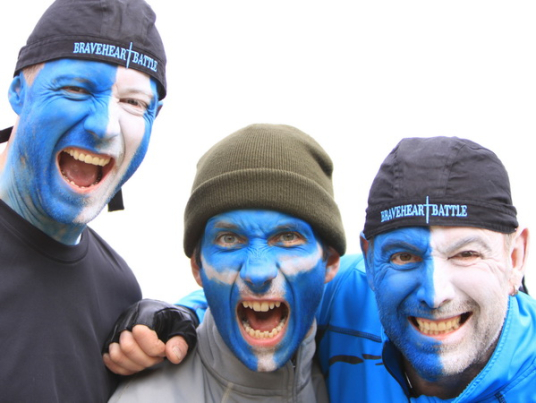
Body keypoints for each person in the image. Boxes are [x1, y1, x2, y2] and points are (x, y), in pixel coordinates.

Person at [0, 0, 194, 400]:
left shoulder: (119, 291)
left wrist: (188, 327)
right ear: (19, 91)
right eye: (75, 89)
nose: (105, 126)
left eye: (134, 103)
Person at [109, 123, 345, 402]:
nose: (258, 273)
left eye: (287, 237)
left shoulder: (342, 376)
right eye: (229, 239)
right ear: (197, 267)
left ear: (330, 261)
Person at [317, 136, 535, 401]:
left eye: (466, 254)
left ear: (515, 258)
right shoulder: (331, 295)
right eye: (404, 257)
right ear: (370, 260)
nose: (434, 296)